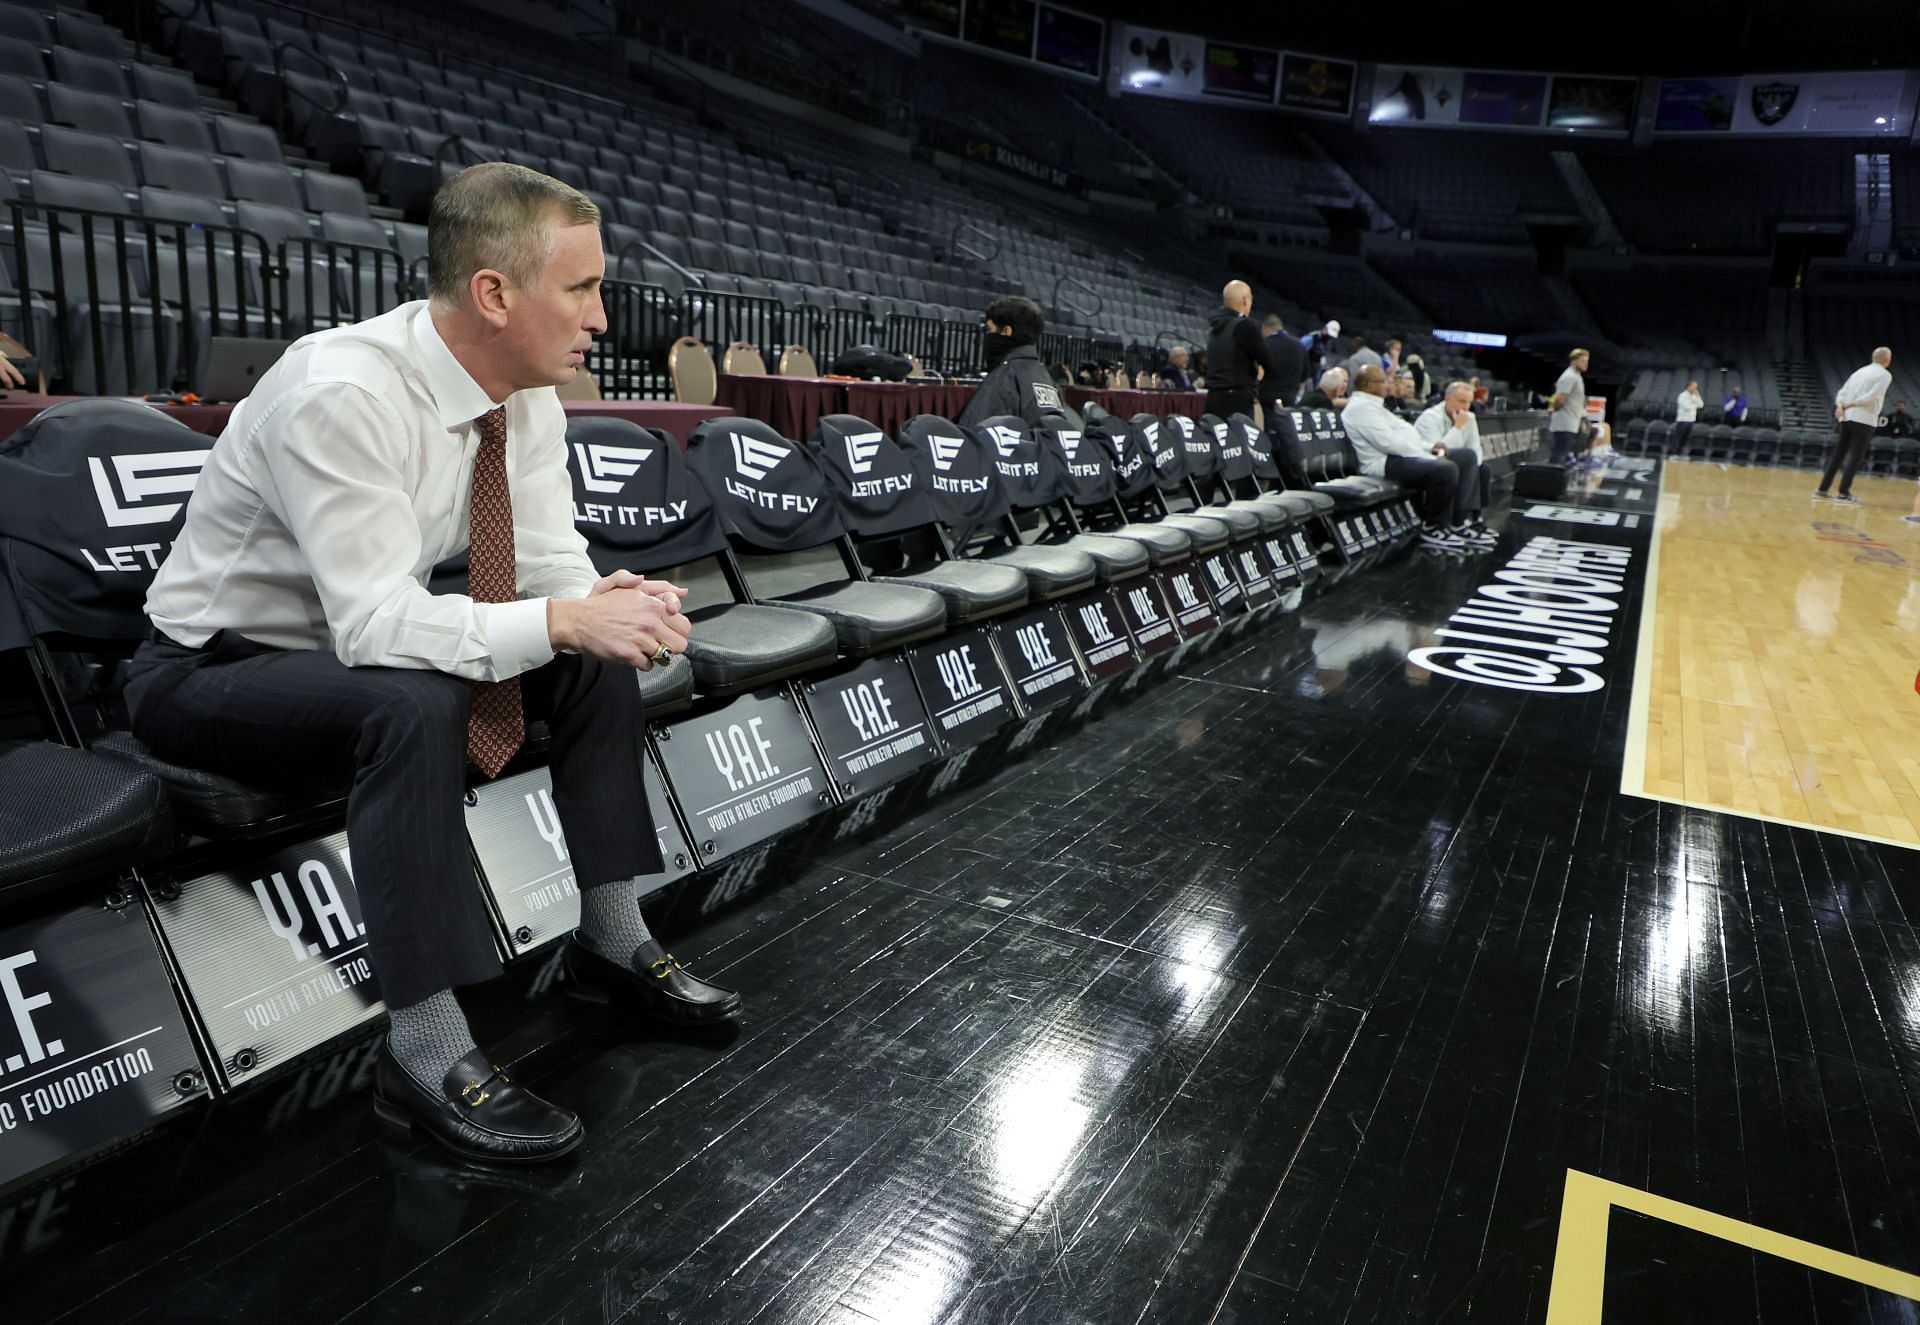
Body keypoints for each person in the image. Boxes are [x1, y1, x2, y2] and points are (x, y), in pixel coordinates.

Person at [128, 163, 739, 1165]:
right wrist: (562, 618)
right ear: (495, 294)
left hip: (343, 650)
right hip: (208, 670)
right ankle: (425, 1051)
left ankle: (613, 939)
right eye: (582, 287)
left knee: (592, 662)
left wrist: (607, 609)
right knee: (411, 704)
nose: (603, 316)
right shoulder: (341, 390)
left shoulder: (524, 392)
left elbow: (544, 564)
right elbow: (373, 626)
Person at [1341, 365, 1491, 550]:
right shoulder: (1361, 408)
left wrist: (1430, 449)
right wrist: (1427, 456)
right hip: (1383, 462)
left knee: (1467, 456)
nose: (1389, 384)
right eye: (1384, 380)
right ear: (1370, 385)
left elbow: (1406, 438)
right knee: (1445, 468)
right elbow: (1388, 443)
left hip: (1401, 456)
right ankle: (1433, 526)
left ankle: (1458, 522)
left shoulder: (1374, 406)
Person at [958, 293, 1080, 428]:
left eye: (989, 329)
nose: (987, 336)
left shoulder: (1003, 378)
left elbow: (973, 435)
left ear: (1006, 331)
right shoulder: (1048, 379)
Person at [1415, 381, 1494, 542]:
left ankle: (1474, 519)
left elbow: (1475, 446)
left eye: (1469, 402)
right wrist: (1457, 428)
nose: (1466, 407)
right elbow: (1440, 452)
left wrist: (1475, 470)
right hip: (1428, 461)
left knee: (1483, 468)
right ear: (1448, 398)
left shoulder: (1469, 417)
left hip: (1458, 461)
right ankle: (1458, 521)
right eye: (1462, 401)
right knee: (1468, 457)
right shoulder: (1429, 417)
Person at [1818, 346, 1894, 504]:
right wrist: (1851, 404)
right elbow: (1873, 396)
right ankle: (1843, 492)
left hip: (1846, 417)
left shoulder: (1858, 372)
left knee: (1839, 454)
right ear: (1887, 360)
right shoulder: (1885, 375)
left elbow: (1841, 392)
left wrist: (1841, 405)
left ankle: (1822, 489)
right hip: (1864, 419)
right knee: (1855, 456)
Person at [1203, 279, 1276, 419]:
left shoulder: (1215, 326)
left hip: (1213, 397)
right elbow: (1267, 359)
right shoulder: (1244, 326)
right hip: (1237, 400)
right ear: (1245, 300)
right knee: (1239, 440)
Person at [1549, 348, 1590, 465]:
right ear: (1574, 361)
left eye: (1587, 361)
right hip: (1564, 423)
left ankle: (1557, 477)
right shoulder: (1569, 376)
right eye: (1583, 361)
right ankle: (1552, 478)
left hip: (1571, 421)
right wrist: (1556, 410)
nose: (1586, 364)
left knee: (1563, 452)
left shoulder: (1577, 377)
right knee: (1559, 453)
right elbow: (1559, 399)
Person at [1260, 313, 1307, 411]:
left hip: (1266, 396)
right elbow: (1304, 376)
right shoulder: (1300, 346)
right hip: (1290, 397)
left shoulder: (1265, 344)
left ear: (1266, 327)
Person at [1674, 379, 1703, 453]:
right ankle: (1674, 453)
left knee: (1685, 438)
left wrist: (1698, 395)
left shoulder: (1694, 396)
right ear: (1688, 386)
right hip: (1682, 420)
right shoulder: (1682, 396)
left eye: (1696, 387)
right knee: (1678, 438)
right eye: (1694, 387)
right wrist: (1695, 404)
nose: (1695, 389)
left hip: (1691, 420)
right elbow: (1687, 407)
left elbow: (1701, 405)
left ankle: (1680, 453)